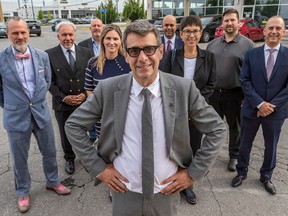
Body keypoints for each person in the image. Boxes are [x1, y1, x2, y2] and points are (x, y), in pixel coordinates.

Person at [65, 20, 226, 216]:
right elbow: (73, 125)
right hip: (124, 193)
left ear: (160, 51)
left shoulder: (184, 89)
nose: (142, 58)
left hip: (166, 193)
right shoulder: (107, 89)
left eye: (149, 49)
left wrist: (192, 174)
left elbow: (217, 129)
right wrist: (99, 168)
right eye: (134, 51)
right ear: (126, 55)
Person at [0, 17, 71, 213]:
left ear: (28, 33)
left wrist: (35, 102)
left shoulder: (42, 56)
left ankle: (53, 181)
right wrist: (12, 106)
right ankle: (23, 191)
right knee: (19, 158)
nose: (20, 36)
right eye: (15, 33)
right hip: (15, 116)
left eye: (23, 32)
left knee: (49, 150)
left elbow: (47, 80)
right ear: (8, 35)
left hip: (40, 112)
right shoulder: (1, 58)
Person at [231, 16, 288, 195]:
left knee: (271, 145)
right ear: (264, 31)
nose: (274, 32)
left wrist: (270, 106)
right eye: (270, 28)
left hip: (276, 111)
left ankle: (266, 176)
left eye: (278, 28)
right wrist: (260, 103)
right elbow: (244, 80)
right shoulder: (251, 54)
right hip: (252, 109)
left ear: (283, 32)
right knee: (245, 142)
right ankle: (241, 171)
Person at [163, 15, 216, 205]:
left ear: (201, 33)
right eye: (187, 31)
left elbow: (211, 84)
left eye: (195, 31)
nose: (191, 35)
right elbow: (164, 81)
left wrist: (195, 105)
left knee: (193, 149)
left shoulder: (209, 57)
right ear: (181, 34)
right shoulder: (171, 56)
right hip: (174, 112)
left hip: (196, 113)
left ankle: (187, 186)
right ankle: (171, 182)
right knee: (173, 149)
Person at [206, 9, 255, 172]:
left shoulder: (248, 45)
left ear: (238, 23)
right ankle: (210, 154)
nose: (229, 23)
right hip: (214, 94)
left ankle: (234, 156)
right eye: (226, 20)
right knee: (212, 126)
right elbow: (207, 68)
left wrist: (247, 97)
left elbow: (253, 74)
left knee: (235, 128)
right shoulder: (213, 43)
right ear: (222, 23)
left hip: (235, 94)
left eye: (232, 20)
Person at [46, 21, 93, 175]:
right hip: (63, 104)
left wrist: (86, 94)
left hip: (83, 102)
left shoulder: (86, 52)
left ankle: (86, 158)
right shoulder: (49, 55)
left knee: (85, 131)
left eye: (70, 34)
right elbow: (49, 82)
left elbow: (91, 77)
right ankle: (69, 158)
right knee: (65, 133)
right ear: (58, 36)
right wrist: (63, 98)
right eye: (64, 35)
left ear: (75, 35)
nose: (68, 38)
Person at [84, 24, 131, 141]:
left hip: (125, 115)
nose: (111, 42)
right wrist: (98, 106)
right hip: (102, 117)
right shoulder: (93, 63)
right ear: (102, 40)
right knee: (105, 150)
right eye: (108, 38)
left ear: (121, 41)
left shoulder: (128, 62)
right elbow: (89, 89)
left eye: (115, 39)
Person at [78, 18, 104, 143]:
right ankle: (93, 138)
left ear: (102, 28)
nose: (96, 28)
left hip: (106, 84)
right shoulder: (82, 45)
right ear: (90, 29)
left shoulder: (109, 43)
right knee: (92, 115)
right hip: (90, 85)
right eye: (94, 26)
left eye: (99, 25)